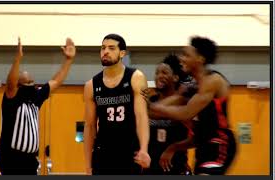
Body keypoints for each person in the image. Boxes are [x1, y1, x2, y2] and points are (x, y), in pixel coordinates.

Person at [148, 36, 236, 175]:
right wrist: (141, 107)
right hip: (201, 145)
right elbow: (165, 105)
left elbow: (185, 113)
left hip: (219, 143)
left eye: (186, 55)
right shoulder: (190, 86)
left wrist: (151, 107)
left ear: (200, 59)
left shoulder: (213, 80)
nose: (181, 58)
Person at [0, 37, 76, 175]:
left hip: (30, 160)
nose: (32, 84)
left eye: (32, 81)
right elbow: (10, 83)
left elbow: (55, 82)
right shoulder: (11, 100)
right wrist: (18, 59)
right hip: (11, 159)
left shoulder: (35, 97)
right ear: (19, 86)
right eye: (27, 82)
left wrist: (68, 60)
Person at [83, 33, 151, 175]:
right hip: (103, 154)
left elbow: (141, 117)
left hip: (129, 152)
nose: (105, 51)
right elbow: (89, 126)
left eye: (111, 48)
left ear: (122, 53)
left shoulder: (136, 77)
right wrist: (88, 165)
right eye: (103, 48)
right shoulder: (91, 85)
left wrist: (144, 149)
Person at [142, 54, 194, 175]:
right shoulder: (151, 100)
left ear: (175, 77)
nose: (159, 76)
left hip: (176, 167)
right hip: (151, 168)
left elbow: (196, 136)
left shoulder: (183, 101)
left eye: (164, 72)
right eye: (157, 73)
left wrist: (172, 148)